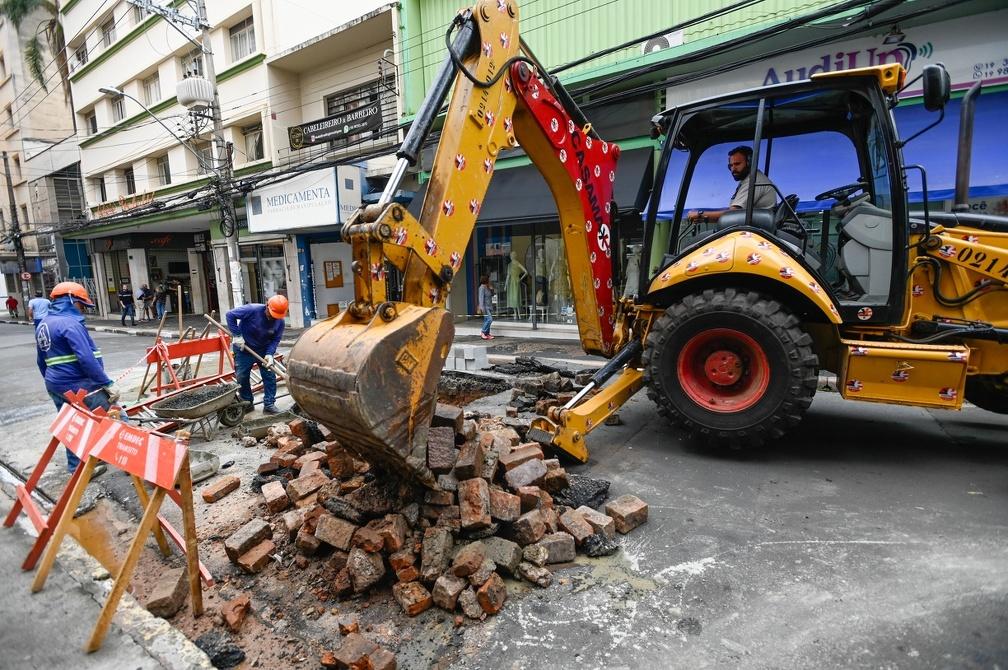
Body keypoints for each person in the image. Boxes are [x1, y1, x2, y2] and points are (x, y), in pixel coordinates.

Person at [36, 282, 120, 475]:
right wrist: (106, 383)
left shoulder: (44, 324)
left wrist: (53, 382)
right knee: (116, 417)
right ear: (71, 300)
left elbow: (41, 360)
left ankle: (78, 468)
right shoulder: (70, 324)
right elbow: (86, 358)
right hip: (79, 384)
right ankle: (133, 464)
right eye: (81, 305)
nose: (82, 309)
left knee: (72, 426)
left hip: (56, 384)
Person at [226, 294, 288, 415]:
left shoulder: (280, 322)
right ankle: (248, 403)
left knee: (269, 376)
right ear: (267, 306)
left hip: (264, 349)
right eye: (272, 314)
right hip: (244, 348)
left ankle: (269, 404)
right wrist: (237, 335)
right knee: (242, 377)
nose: (273, 318)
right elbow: (230, 315)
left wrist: (270, 354)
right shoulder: (252, 310)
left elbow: (275, 339)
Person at [687, 145, 778, 224]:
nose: (733, 169)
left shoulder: (754, 181)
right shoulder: (748, 179)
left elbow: (733, 214)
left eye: (737, 164)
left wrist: (700, 215)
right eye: (730, 165)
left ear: (749, 162)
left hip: (754, 233)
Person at [477, 274, 495, 340]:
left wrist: (492, 289)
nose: (489, 280)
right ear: (486, 280)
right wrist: (482, 308)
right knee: (490, 319)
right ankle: (483, 332)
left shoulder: (487, 287)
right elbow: (481, 298)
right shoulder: (482, 287)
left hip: (489, 306)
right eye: (488, 279)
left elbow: (492, 295)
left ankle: (487, 333)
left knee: (486, 320)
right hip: (485, 307)